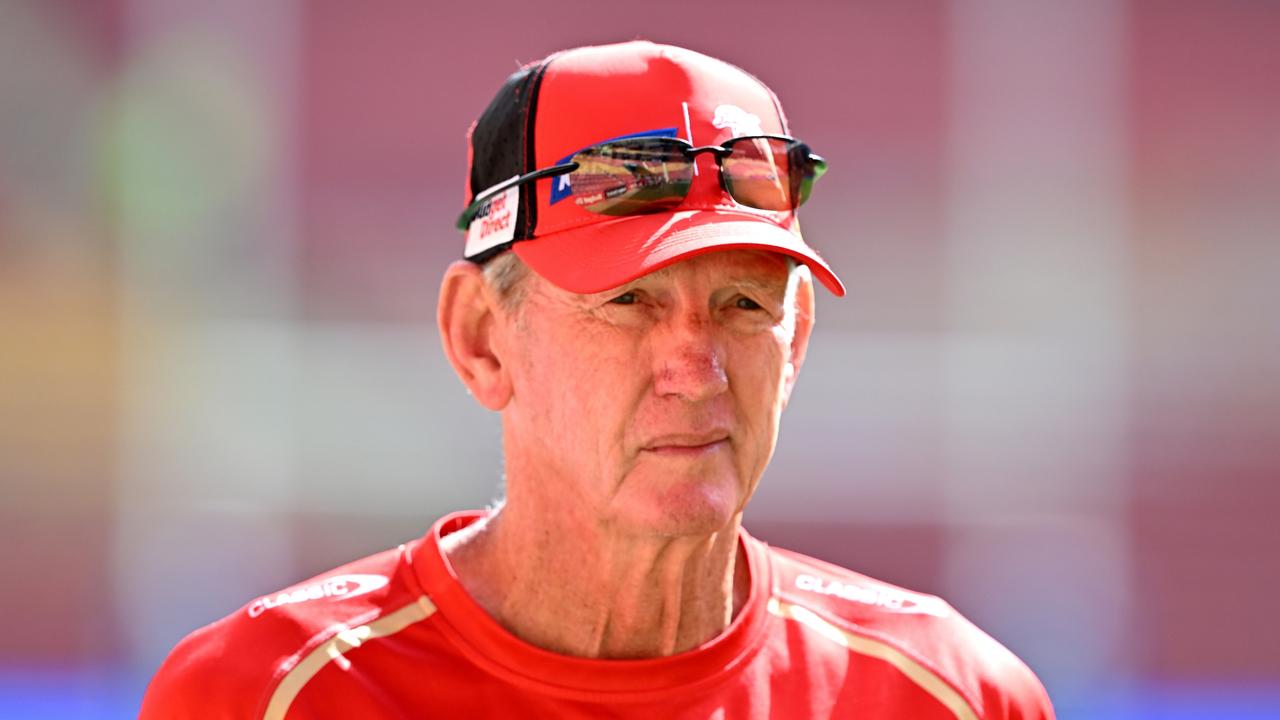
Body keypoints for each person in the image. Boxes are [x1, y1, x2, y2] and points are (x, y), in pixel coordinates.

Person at [140, 40, 1055, 719]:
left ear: (797, 339)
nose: (696, 370)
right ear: (481, 341)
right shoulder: (257, 696)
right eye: (628, 302)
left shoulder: (953, 696)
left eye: (743, 305)